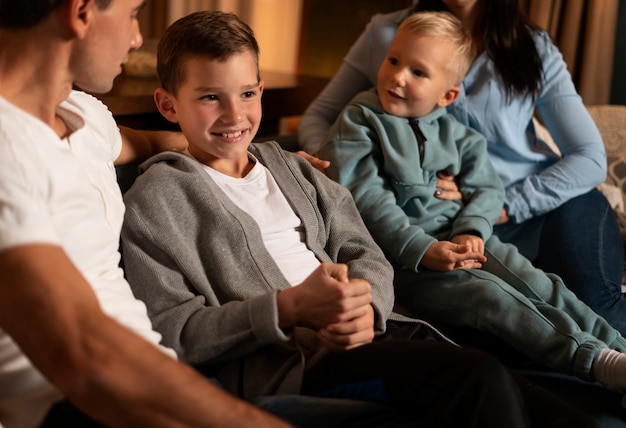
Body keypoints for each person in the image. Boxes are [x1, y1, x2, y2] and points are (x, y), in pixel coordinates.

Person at [118, 10, 601, 428]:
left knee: (561, 414)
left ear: (261, 90)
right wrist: (289, 308)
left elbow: (363, 249)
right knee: (480, 380)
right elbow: (175, 330)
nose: (234, 114)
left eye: (246, 93)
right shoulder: (157, 200)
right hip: (303, 363)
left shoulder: (292, 167)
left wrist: (366, 309)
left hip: (384, 330)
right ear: (168, 105)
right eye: (209, 97)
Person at [0, 1, 365, 427]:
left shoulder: (86, 116)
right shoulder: (7, 149)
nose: (136, 38)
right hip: (77, 403)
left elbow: (156, 141)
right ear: (80, 12)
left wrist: (248, 157)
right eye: (133, 13)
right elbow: (84, 354)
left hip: (159, 373)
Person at [319, 9, 626, 408]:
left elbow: (487, 189)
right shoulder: (360, 121)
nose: (397, 77)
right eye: (393, 61)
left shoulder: (461, 136)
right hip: (408, 260)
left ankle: (618, 354)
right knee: (495, 297)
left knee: (540, 285)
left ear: (448, 95)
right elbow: (368, 200)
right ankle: (596, 362)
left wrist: (473, 230)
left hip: (472, 239)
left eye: (418, 72)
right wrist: (421, 249)